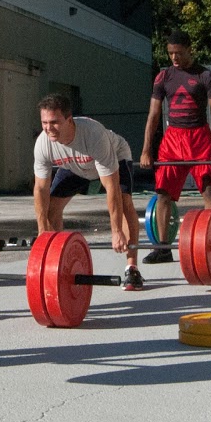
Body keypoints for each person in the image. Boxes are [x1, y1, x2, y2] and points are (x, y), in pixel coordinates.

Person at [138, 30, 211, 264]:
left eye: (178, 53)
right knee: (163, 194)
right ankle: (163, 248)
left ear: (190, 49)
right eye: (170, 54)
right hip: (173, 139)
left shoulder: (205, 76)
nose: (174, 58)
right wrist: (146, 149)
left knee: (208, 192)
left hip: (199, 137)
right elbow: (153, 115)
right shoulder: (163, 78)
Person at [34, 95, 144, 290]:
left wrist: (116, 231)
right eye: (44, 122)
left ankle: (132, 268)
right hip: (74, 166)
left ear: (69, 120)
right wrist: (42, 232)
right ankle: (56, 261)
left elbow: (112, 189)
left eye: (54, 122)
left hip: (115, 157)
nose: (48, 128)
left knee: (125, 201)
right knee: (52, 206)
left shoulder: (94, 135)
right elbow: (41, 189)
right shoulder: (43, 143)